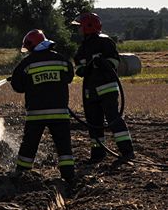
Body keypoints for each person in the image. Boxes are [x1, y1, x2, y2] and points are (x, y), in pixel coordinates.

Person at [8, 29, 75, 184]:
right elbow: (69, 77)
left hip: (36, 114)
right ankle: (69, 176)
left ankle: (22, 175)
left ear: (32, 46)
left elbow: (18, 86)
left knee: (29, 146)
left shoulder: (26, 63)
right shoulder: (61, 60)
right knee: (64, 146)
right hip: (60, 113)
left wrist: (24, 81)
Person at [72, 12, 134, 163]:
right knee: (94, 123)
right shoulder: (82, 47)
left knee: (114, 119)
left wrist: (103, 63)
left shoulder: (105, 41)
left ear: (88, 26)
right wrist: (84, 68)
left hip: (107, 87)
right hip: (90, 91)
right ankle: (97, 154)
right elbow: (79, 67)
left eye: (80, 27)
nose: (78, 30)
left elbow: (115, 61)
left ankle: (127, 152)